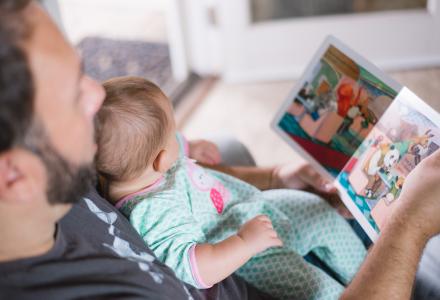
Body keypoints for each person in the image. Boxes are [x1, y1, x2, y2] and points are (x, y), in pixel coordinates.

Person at [0, 1, 439, 299]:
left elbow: (168, 174)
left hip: (251, 217)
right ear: (13, 175)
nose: (97, 95)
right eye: (73, 95)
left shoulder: (65, 167)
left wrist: (272, 176)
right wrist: (410, 226)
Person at [94, 76, 366, 299]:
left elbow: (163, 143)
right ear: (161, 159)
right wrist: (245, 242)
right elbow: (195, 267)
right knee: (318, 291)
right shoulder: (153, 211)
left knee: (317, 209)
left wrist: (190, 145)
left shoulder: (138, 166)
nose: (178, 136)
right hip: (253, 254)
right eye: (173, 133)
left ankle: (367, 274)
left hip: (251, 206)